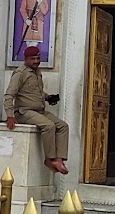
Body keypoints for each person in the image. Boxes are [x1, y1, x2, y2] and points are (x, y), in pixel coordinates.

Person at [5, 45, 69, 175]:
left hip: (39, 111)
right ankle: (49, 159)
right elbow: (9, 95)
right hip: (24, 112)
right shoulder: (20, 73)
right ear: (26, 59)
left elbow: (35, 92)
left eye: (38, 58)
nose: (36, 61)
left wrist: (48, 97)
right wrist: (10, 116)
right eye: (32, 58)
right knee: (48, 126)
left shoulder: (37, 71)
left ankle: (58, 159)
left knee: (63, 126)